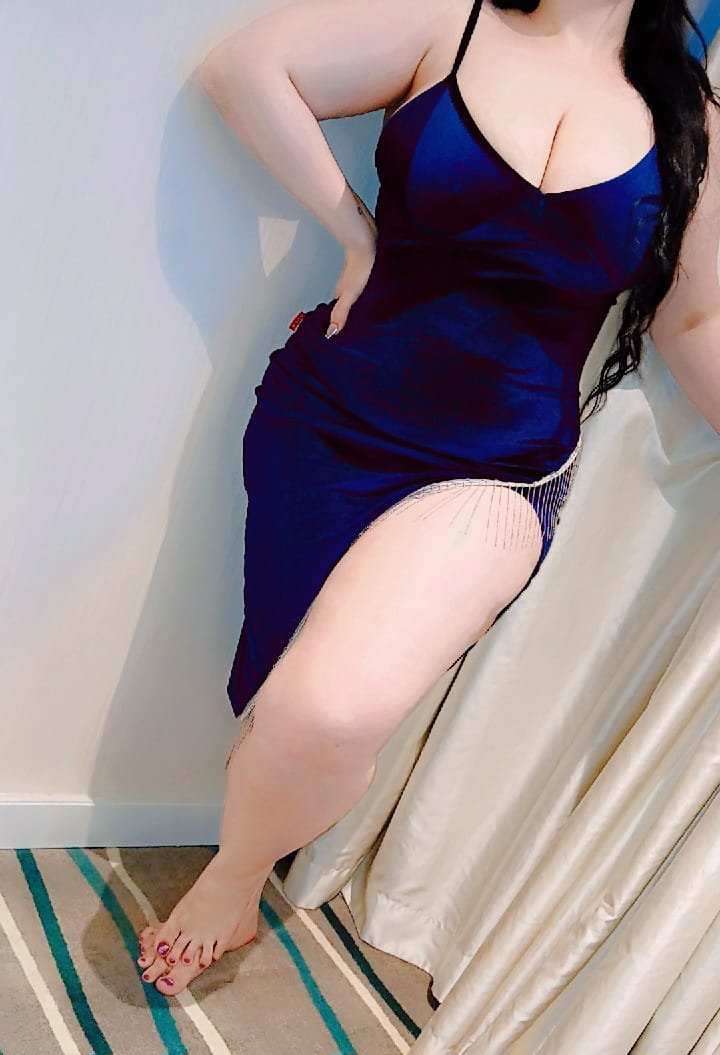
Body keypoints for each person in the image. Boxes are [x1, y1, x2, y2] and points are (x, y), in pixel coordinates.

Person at [136, 0, 720, 995]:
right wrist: (354, 236)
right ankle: (257, 831)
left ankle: (233, 879)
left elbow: (694, 319)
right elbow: (247, 69)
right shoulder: (449, 23)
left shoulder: (688, 118)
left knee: (327, 708)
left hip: (498, 469)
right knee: (285, 698)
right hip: (327, 418)